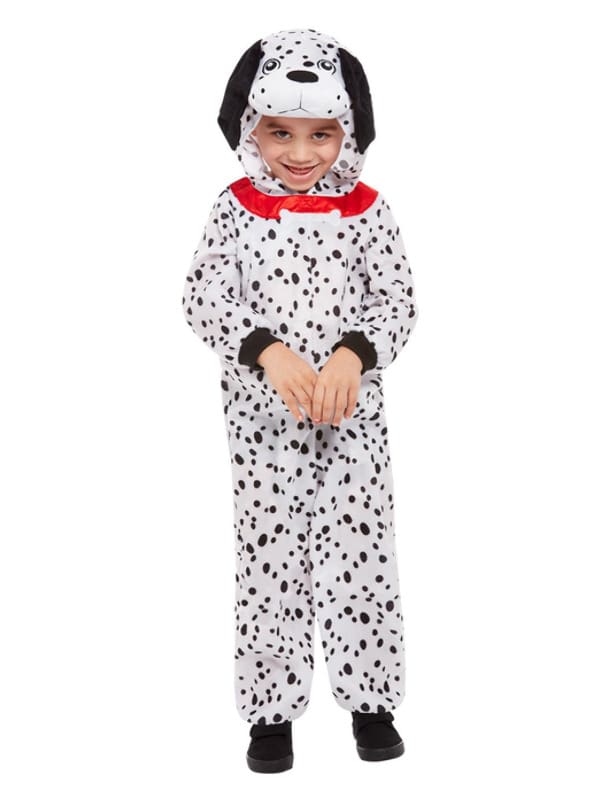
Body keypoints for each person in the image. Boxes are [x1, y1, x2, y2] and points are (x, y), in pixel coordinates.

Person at [181, 28, 419, 773]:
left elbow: (399, 300)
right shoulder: (235, 209)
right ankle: (271, 711)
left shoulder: (369, 210)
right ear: (248, 128)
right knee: (269, 558)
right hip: (262, 426)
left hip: (354, 423)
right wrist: (265, 349)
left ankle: (372, 700)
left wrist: (356, 352)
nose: (301, 152)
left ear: (349, 131)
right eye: (279, 131)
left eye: (321, 133)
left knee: (363, 554)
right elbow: (202, 296)